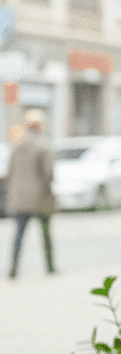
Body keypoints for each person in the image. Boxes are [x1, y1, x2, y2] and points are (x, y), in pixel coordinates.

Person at [7, 109, 56, 278]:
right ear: (41, 126)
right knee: (45, 235)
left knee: (19, 235)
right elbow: (48, 173)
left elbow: (10, 171)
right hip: (39, 198)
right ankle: (50, 267)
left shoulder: (17, 146)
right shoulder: (43, 146)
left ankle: (13, 268)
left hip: (19, 199)